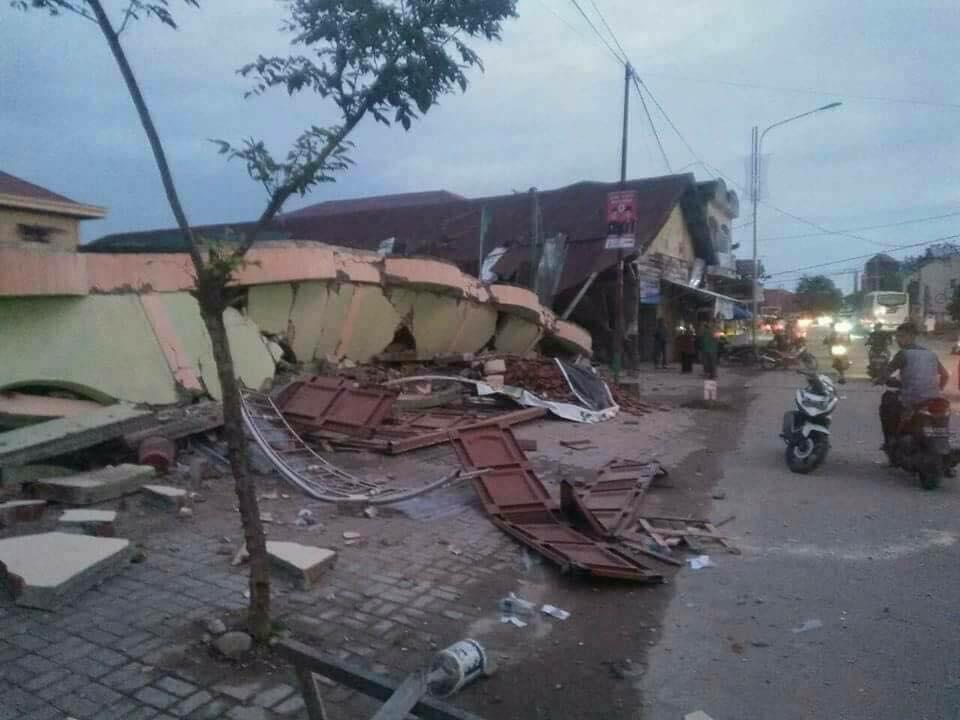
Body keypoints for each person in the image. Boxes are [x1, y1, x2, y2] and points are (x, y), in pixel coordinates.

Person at [879, 322, 949, 459]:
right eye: (897, 336)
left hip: (911, 399)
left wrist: (880, 379)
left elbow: (885, 374)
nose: (898, 340)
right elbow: (945, 375)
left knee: (887, 401)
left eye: (902, 336)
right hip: (934, 398)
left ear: (912, 336)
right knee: (942, 417)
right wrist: (936, 390)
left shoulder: (903, 354)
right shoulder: (931, 354)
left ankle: (890, 442)